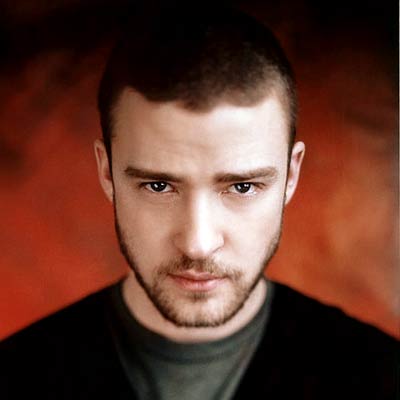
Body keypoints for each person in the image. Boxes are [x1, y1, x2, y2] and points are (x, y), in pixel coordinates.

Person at [1, 5, 396, 400]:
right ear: (107, 173)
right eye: (158, 186)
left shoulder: (380, 379)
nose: (198, 243)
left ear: (291, 175)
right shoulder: (18, 377)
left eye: (242, 187)